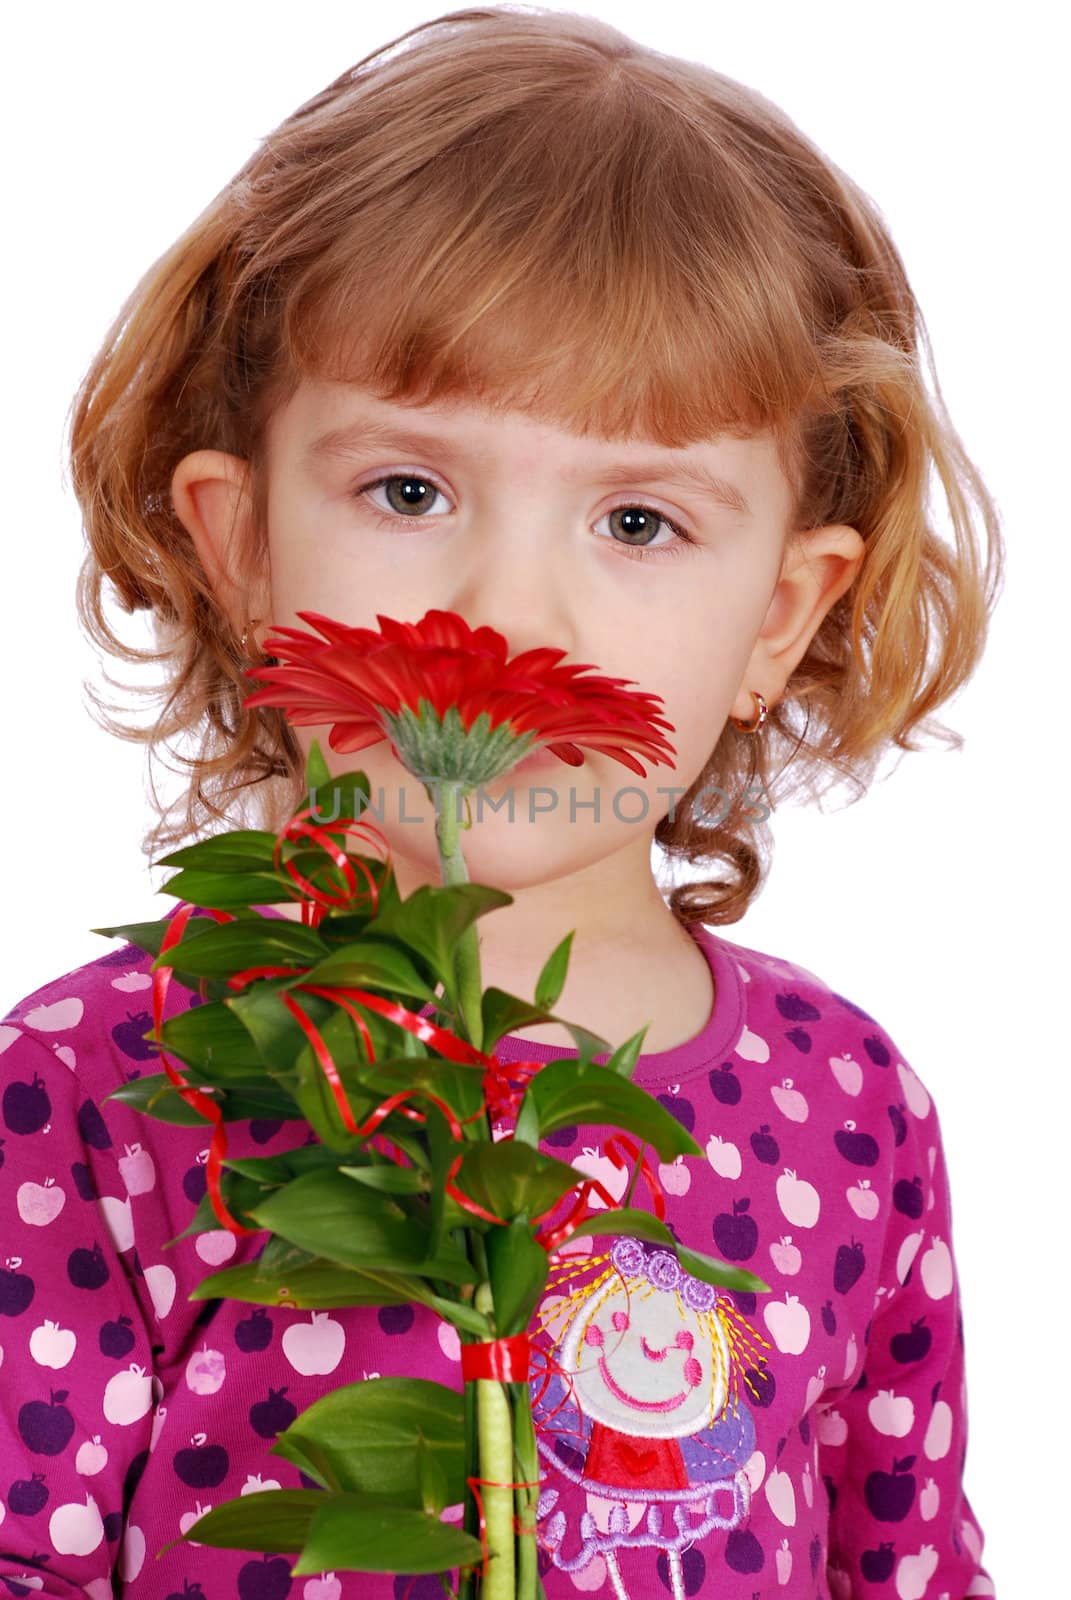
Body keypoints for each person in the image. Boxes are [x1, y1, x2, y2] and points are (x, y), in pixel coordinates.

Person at [1, 6, 1001, 1596]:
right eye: (409, 492)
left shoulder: (854, 1107)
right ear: (242, 544)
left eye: (639, 519)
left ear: (780, 620)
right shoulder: (96, 1088)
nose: (510, 614)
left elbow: (911, 1566)